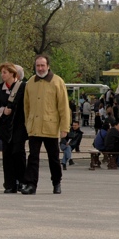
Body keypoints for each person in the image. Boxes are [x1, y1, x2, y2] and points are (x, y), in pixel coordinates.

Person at [21, 54, 70, 195]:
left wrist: (64, 128)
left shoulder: (57, 82)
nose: (40, 68)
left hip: (51, 127)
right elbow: (27, 106)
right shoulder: (30, 82)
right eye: (38, 65)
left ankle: (56, 182)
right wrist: (27, 124)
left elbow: (63, 107)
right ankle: (31, 184)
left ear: (48, 66)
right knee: (33, 157)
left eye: (43, 65)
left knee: (53, 158)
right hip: (34, 127)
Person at [0, 63, 28, 193]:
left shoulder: (23, 87)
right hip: (5, 127)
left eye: (5, 72)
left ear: (12, 73)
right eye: (2, 72)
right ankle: (10, 184)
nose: (2, 75)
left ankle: (22, 182)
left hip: (20, 126)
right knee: (7, 156)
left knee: (19, 153)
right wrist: (2, 111)